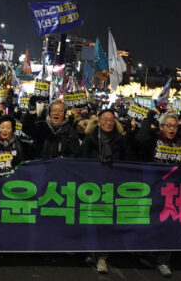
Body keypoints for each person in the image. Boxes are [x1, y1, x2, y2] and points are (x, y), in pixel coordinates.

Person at [136, 111, 181, 277]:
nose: (172, 128)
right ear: (161, 127)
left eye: (174, 125)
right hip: (152, 188)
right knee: (151, 222)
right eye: (168, 125)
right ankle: (147, 251)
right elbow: (140, 140)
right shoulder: (153, 140)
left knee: (169, 225)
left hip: (172, 192)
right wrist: (148, 119)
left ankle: (163, 260)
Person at [79, 109, 130, 274]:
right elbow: (81, 161)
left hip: (112, 187)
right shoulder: (90, 139)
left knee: (106, 222)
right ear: (98, 122)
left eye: (111, 120)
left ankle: (102, 257)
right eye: (105, 120)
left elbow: (129, 160)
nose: (108, 123)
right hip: (93, 187)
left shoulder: (121, 140)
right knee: (91, 221)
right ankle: (92, 252)